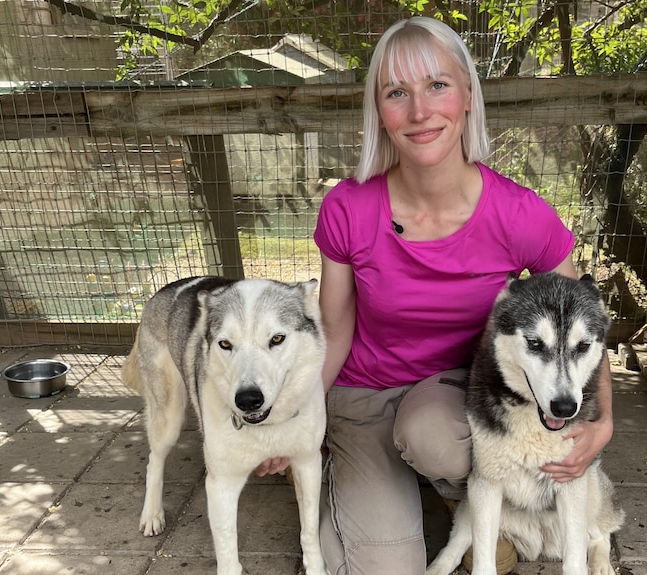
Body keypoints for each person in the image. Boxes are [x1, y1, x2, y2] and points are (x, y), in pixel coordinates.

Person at [255, 15, 614, 575]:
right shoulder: (348, 208)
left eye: (437, 86)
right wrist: (298, 417)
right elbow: (335, 327)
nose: (420, 111)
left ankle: (461, 498)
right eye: (398, 93)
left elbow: (581, 328)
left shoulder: (520, 213)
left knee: (432, 439)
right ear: (380, 111)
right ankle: (348, 469)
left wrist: (603, 423)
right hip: (365, 395)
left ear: (468, 96)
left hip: (455, 398)